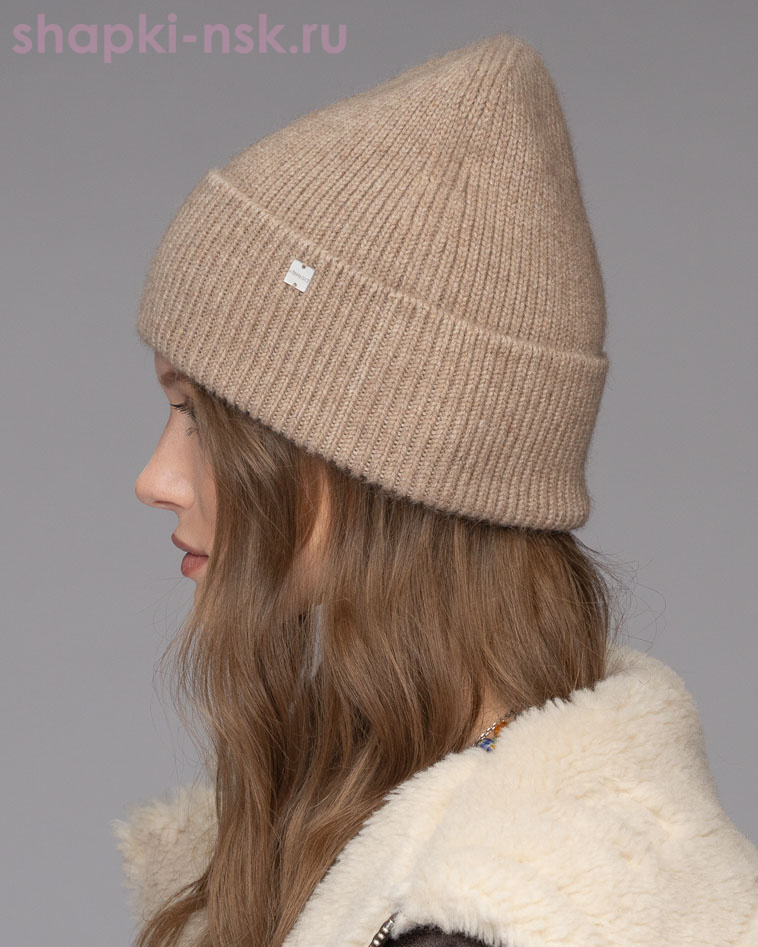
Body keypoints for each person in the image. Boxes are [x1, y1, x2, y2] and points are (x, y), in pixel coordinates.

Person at [112, 31, 758, 947]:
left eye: (198, 417)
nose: (157, 479)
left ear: (381, 459)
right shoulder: (443, 837)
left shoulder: (468, 913)